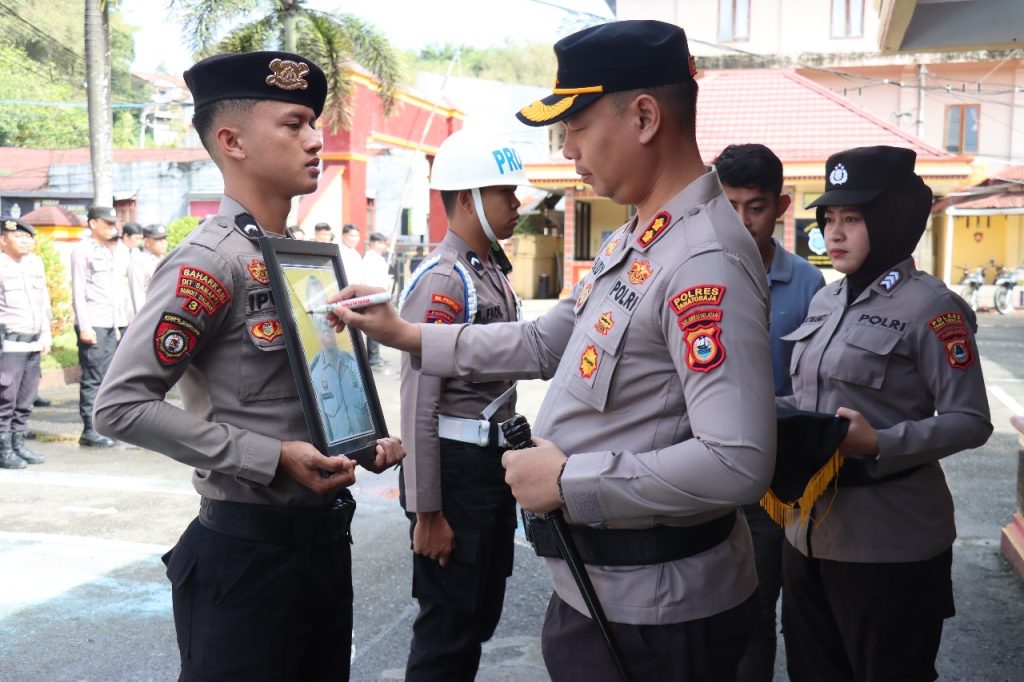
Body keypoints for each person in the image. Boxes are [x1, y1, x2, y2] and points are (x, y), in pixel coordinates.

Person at [330, 20, 776, 681]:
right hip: (608, 593)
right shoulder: (639, 241)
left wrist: (567, 482)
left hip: (656, 613)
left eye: (575, 126)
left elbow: (737, 463)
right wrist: (406, 335)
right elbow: (542, 341)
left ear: (645, 117)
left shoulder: (702, 259)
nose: (566, 150)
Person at [92, 50, 404, 681]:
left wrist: (356, 441)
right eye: (294, 124)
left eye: (314, 122)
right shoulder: (209, 263)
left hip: (319, 545)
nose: (317, 139)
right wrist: (271, 458)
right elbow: (120, 406)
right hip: (246, 558)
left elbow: (295, 393)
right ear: (231, 140)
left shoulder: (302, 259)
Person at [777, 146, 992, 681]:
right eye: (829, 219)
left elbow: (971, 420)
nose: (835, 233)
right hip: (807, 533)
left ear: (892, 219)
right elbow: (807, 402)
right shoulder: (826, 301)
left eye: (853, 218)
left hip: (889, 542)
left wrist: (881, 444)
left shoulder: (931, 308)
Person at [396, 129, 528, 681]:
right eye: (507, 193)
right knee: (447, 633)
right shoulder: (446, 281)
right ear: (469, 196)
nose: (518, 205)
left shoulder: (488, 271)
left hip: (488, 470)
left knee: (477, 616)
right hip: (454, 475)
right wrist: (427, 511)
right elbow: (418, 403)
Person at [713, 142, 825, 681]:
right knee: (700, 610)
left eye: (754, 207)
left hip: (775, 485)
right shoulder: (697, 273)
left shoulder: (809, 284)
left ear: (781, 207)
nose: (741, 220)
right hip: (700, 472)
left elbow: (817, 388)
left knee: (760, 609)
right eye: (729, 205)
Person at [71, 205, 127, 448]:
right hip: (92, 323)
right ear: (93, 223)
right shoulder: (82, 250)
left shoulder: (107, 251)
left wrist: (117, 325)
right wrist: (84, 326)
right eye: (107, 224)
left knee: (106, 378)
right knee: (93, 378)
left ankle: (102, 426)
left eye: (114, 224)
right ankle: (89, 429)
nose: (112, 229)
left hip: (109, 323)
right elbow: (78, 290)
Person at [0, 217, 51, 469]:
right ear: (2, 240)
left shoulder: (35, 264)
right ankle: (3, 448)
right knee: (4, 399)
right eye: (18, 237)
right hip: (8, 344)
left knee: (25, 398)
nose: (25, 242)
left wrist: (46, 335)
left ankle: (18, 444)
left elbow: (44, 302)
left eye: (28, 237)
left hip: (33, 342)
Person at [361, 232, 391, 367]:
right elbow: (369, 280)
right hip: (373, 296)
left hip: (380, 296)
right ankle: (373, 356)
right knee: (374, 326)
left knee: (379, 325)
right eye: (381, 243)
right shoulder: (369, 259)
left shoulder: (380, 258)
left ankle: (375, 355)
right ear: (373, 243)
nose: (384, 246)